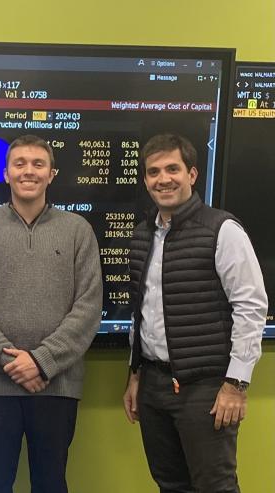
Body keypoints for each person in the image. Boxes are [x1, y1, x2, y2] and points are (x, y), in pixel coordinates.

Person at [0, 134, 103, 493]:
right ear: (5, 173)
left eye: (38, 164)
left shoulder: (78, 231)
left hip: (56, 384)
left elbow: (88, 307)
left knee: (51, 483)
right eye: (19, 164)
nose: (28, 171)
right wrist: (12, 364)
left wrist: (41, 361)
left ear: (52, 173)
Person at [123, 133, 268, 493]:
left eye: (172, 169)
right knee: (170, 484)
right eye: (154, 172)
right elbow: (141, 312)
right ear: (145, 180)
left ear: (191, 174)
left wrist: (236, 384)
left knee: (214, 485)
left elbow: (251, 307)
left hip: (206, 388)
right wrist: (136, 373)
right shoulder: (143, 236)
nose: (163, 179)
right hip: (154, 386)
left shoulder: (223, 230)